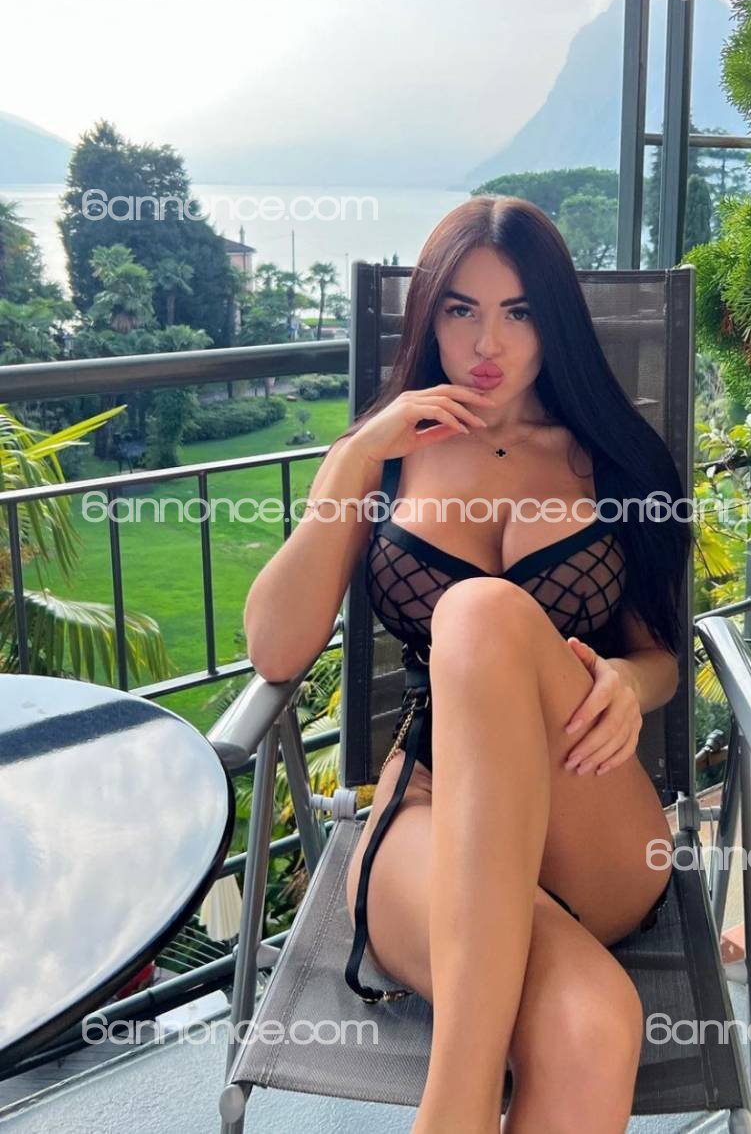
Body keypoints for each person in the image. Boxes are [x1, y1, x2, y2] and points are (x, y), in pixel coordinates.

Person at [243, 195, 690, 1134]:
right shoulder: (386, 460)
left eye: (518, 311)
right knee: (589, 1024)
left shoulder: (615, 462)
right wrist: (354, 456)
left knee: (481, 610)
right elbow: (275, 648)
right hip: (429, 804)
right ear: (429, 317)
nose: (488, 343)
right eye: (462, 309)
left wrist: (626, 682)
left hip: (588, 808)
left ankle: (450, 1111)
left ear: (554, 319)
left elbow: (661, 656)